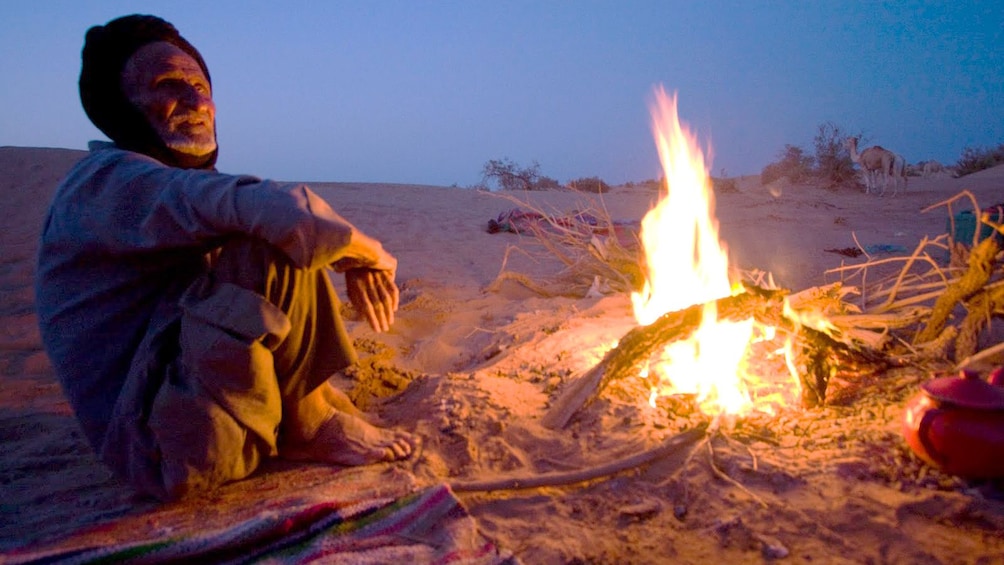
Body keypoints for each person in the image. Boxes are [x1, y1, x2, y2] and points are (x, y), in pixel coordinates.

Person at [35, 14, 418, 501]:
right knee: (267, 244)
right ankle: (308, 425)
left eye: (200, 85)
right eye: (168, 85)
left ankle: (304, 409)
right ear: (119, 106)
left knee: (260, 233)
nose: (196, 102)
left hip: (185, 420)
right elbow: (278, 210)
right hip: (165, 450)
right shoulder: (109, 181)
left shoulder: (153, 185)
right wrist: (369, 257)